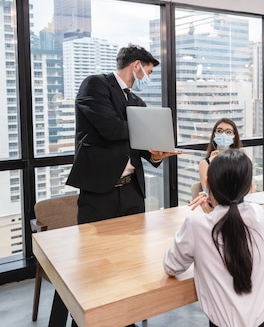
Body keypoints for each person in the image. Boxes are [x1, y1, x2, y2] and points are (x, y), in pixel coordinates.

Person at [49, 44, 178, 327]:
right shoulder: (95, 85)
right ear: (136, 65)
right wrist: (146, 132)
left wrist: (155, 152)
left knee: (130, 262)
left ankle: (124, 319)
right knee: (91, 266)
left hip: (132, 190)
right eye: (148, 70)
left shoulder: (138, 102)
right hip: (100, 191)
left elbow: (141, 146)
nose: (148, 75)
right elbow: (109, 128)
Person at [164, 149, 264, 327]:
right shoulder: (259, 213)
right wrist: (215, 211)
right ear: (249, 187)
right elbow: (231, 222)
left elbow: (172, 267)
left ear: (206, 183)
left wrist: (212, 211)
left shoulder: (197, 224)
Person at [199, 118, 243, 189]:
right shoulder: (205, 163)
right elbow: (208, 191)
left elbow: (249, 187)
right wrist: (213, 166)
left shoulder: (240, 160)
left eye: (228, 132)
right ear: (214, 135)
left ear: (234, 137)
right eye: (219, 131)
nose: (223, 135)